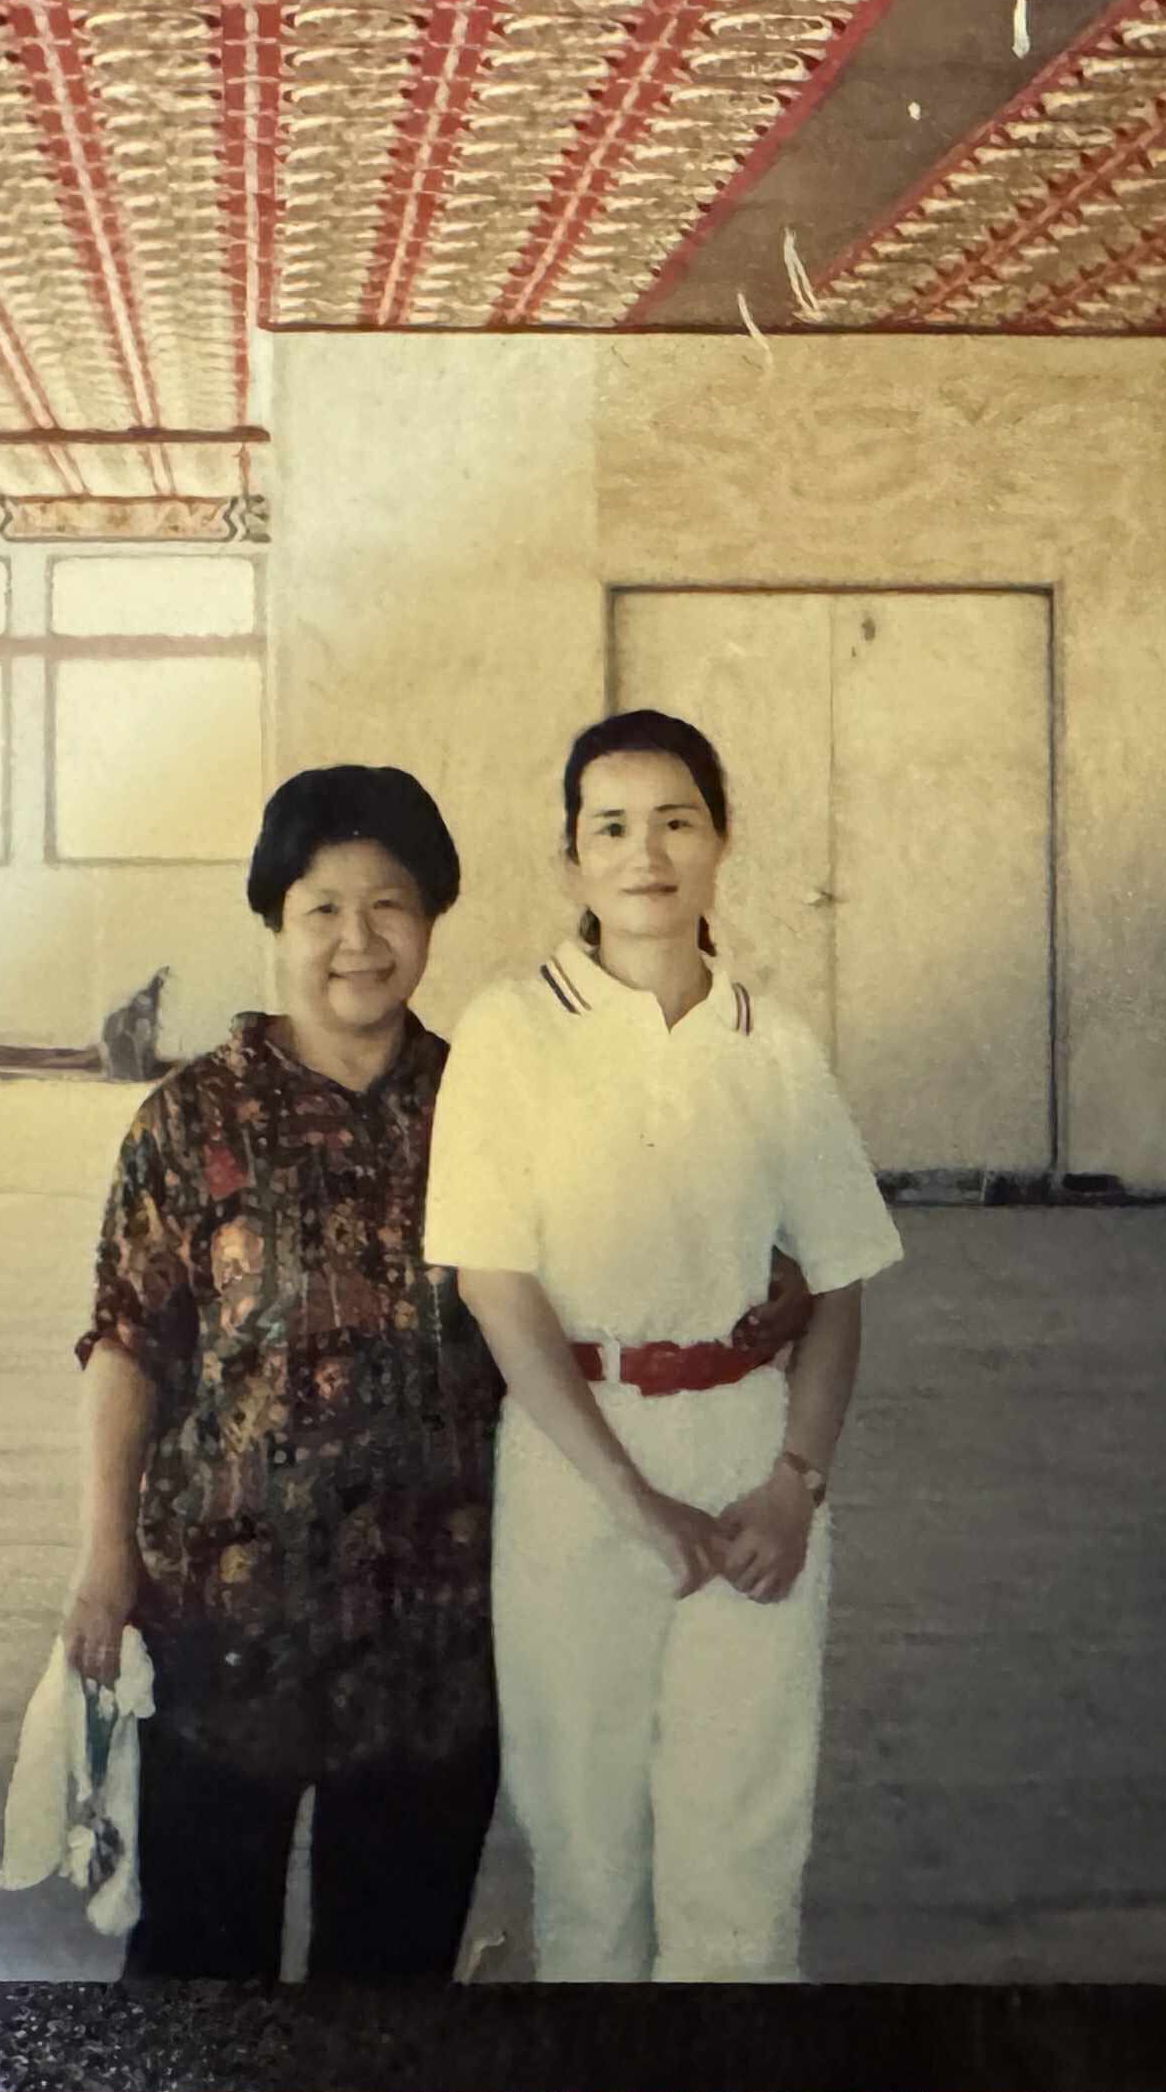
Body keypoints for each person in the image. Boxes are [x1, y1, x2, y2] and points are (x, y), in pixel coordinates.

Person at [65, 762, 810, 1980]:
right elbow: (127, 1345)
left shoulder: (494, 1095)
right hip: (229, 1628)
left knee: (397, 1973)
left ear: (432, 920)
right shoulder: (191, 1118)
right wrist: (104, 1563)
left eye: (392, 905)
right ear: (276, 922)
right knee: (200, 1964)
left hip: (440, 1634)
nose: (359, 941)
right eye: (323, 909)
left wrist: (759, 1273)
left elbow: (636, 1235)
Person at [422, 710, 904, 1983]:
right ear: (574, 859)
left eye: (677, 820)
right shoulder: (512, 1027)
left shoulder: (774, 1044)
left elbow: (843, 1283)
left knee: (742, 1852)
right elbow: (495, 1284)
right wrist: (631, 1498)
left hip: (746, 1450)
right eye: (612, 826)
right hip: (576, 1462)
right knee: (586, 1856)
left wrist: (796, 1483)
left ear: (722, 840)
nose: (647, 853)